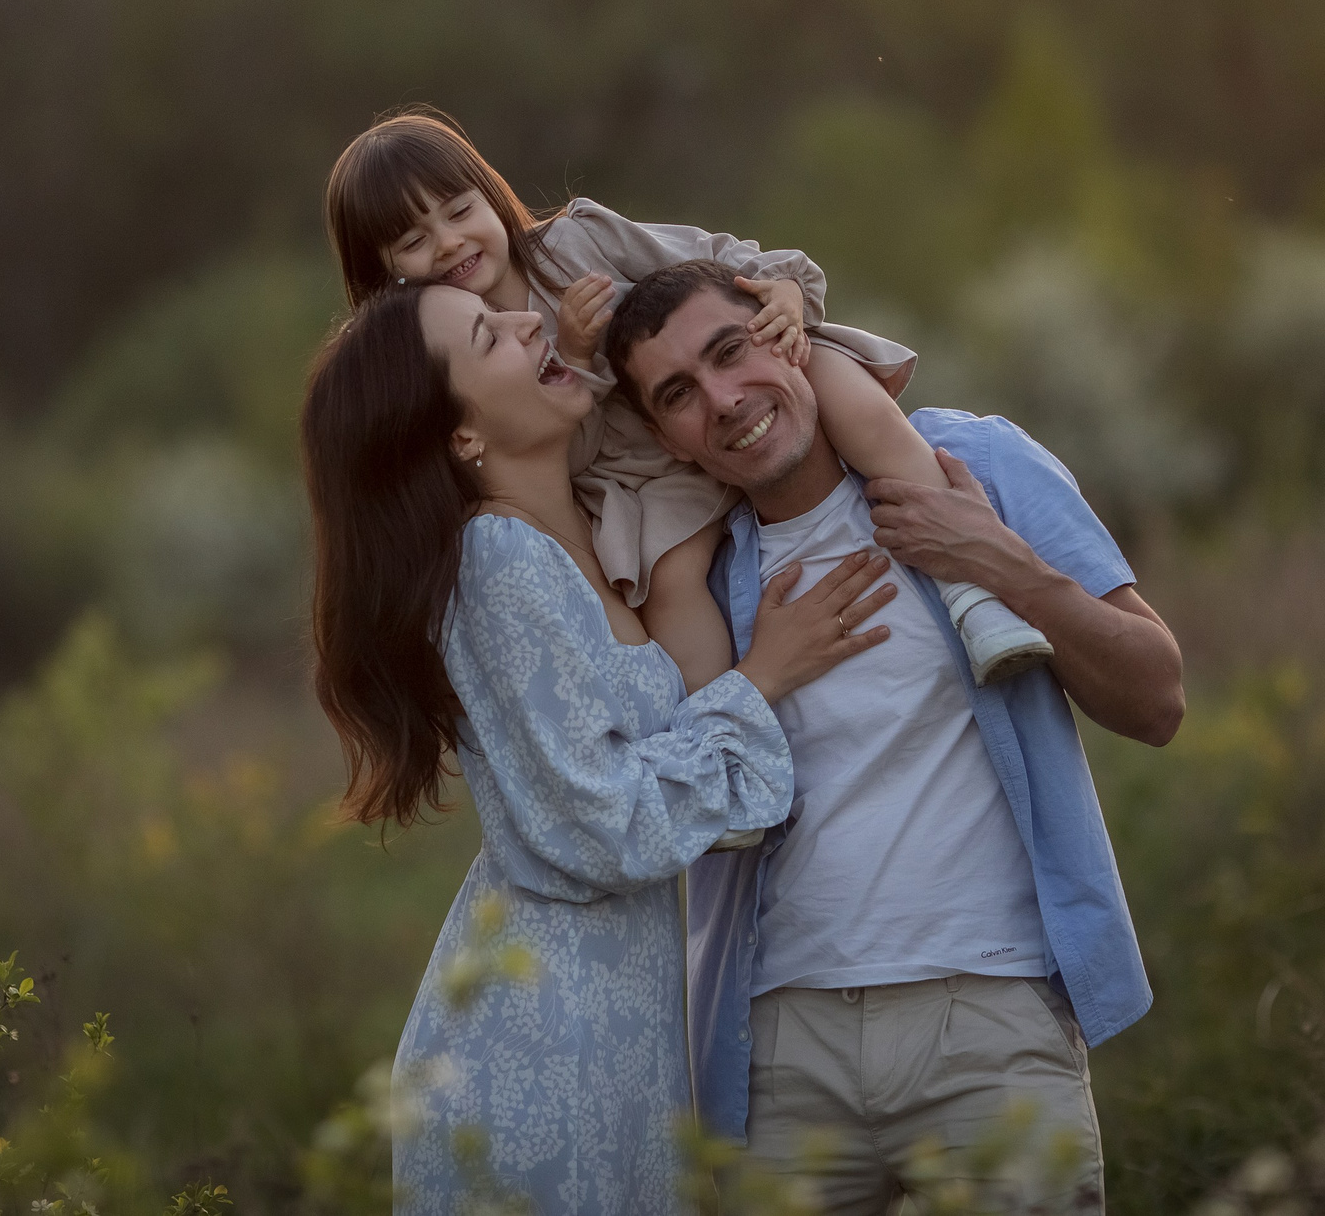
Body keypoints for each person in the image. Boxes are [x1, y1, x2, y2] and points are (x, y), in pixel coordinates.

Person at [299, 281, 899, 1213]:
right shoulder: (498, 561)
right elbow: (601, 822)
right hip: (543, 1041)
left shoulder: (587, 539)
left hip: (618, 1022)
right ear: (461, 434)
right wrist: (763, 678)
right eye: (489, 335)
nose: (530, 319)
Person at [604, 259, 1187, 1215]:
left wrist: (1005, 567)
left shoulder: (977, 464)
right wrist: (762, 675)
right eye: (679, 393)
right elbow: (658, 800)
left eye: (730, 350)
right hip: (776, 1046)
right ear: (665, 436)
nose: (724, 398)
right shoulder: (690, 578)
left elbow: (1156, 698)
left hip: (990, 1013)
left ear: (786, 336)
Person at [324, 107, 1054, 693]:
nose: (450, 243)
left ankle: (972, 596)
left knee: (837, 382)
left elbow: (710, 264)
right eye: (414, 242)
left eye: (457, 209)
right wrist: (574, 357)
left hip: (721, 396)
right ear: (387, 278)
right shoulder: (442, 374)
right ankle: (726, 739)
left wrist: (782, 290)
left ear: (489, 192)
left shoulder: (575, 243)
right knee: (672, 583)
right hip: (635, 481)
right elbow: (554, 453)